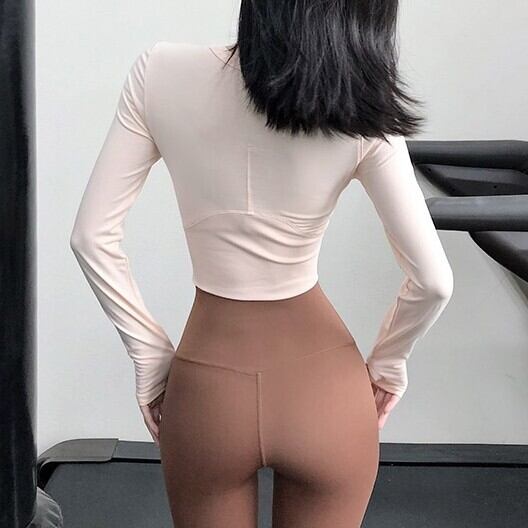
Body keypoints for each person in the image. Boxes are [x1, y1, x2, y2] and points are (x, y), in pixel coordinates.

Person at [69, 1, 454, 526]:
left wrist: (150, 354)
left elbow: (91, 237)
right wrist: (389, 360)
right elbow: (433, 281)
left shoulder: (158, 72)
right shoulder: (362, 105)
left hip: (207, 394)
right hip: (327, 393)